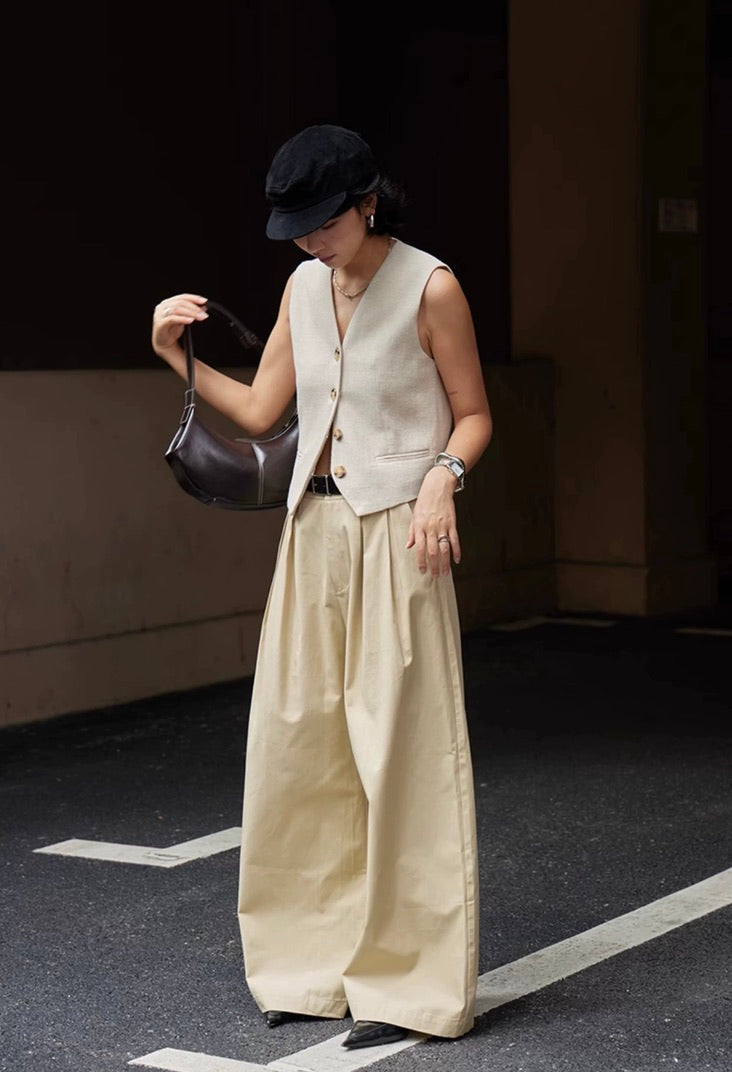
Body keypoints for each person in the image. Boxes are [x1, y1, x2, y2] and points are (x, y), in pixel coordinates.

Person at [151, 123, 493, 1051]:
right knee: (300, 748)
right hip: (313, 534)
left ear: (367, 200)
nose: (308, 240)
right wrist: (173, 354)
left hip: (400, 538)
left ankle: (412, 988)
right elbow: (265, 412)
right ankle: (308, 968)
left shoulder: (432, 285)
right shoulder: (304, 284)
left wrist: (441, 481)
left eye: (323, 222)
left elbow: (472, 415)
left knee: (405, 756)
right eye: (295, 227)